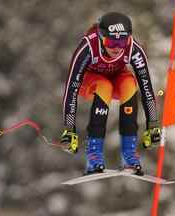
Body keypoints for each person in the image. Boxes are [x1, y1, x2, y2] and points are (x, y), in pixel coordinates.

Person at [61, 12, 161, 175]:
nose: (116, 47)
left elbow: (146, 87)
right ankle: (94, 155)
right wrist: (69, 129)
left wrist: (153, 125)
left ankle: (129, 155)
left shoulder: (133, 49)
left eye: (121, 41)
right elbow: (72, 87)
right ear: (101, 38)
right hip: (90, 81)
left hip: (117, 77)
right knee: (104, 86)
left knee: (130, 84)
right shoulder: (89, 46)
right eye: (111, 41)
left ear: (128, 38)